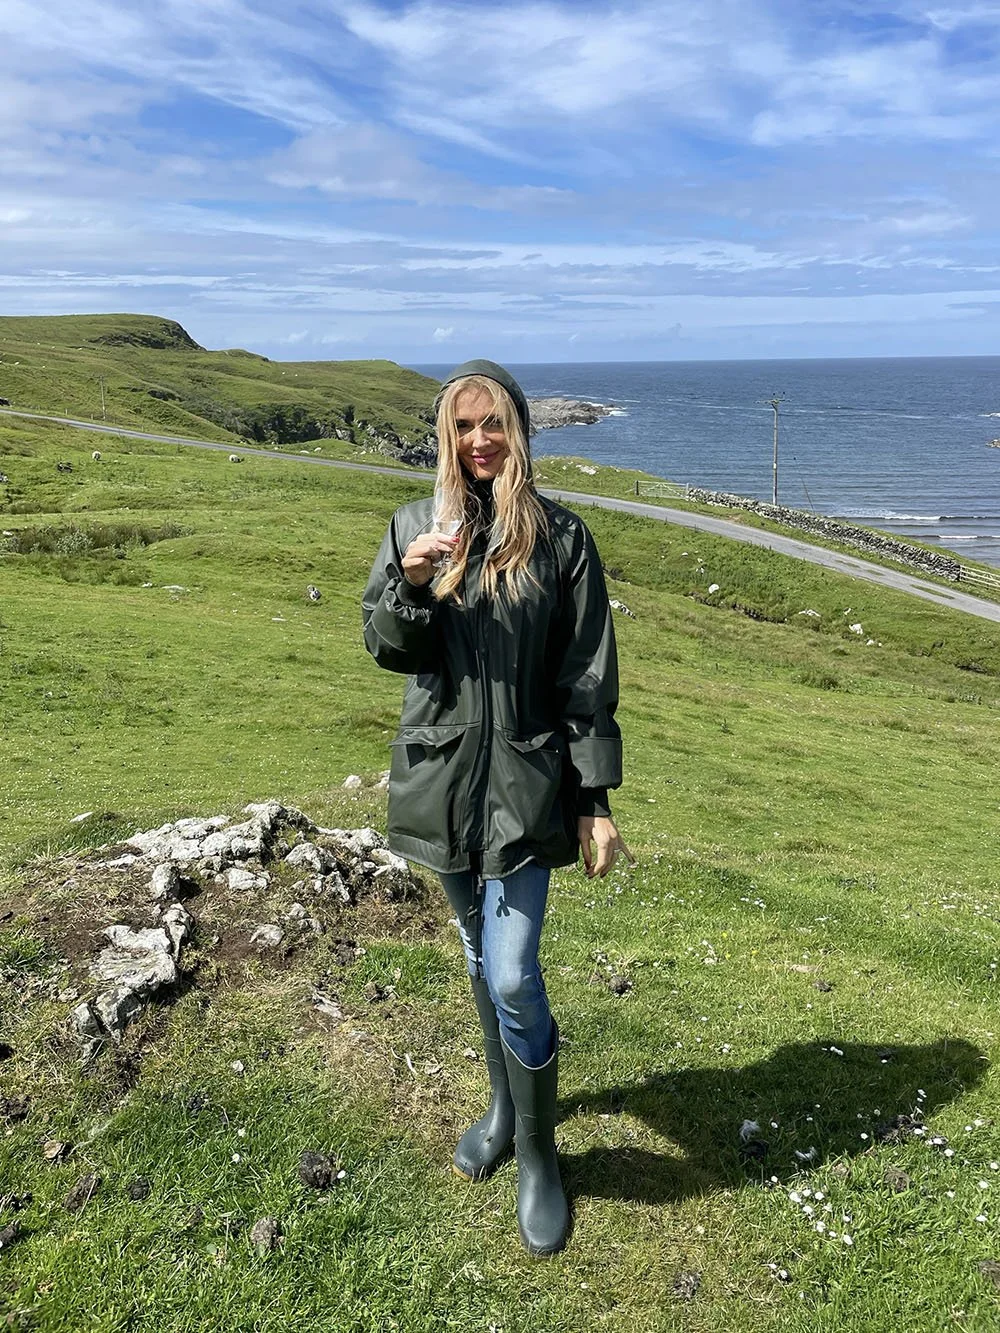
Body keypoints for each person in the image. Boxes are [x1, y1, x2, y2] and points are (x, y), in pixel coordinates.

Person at [362, 358, 630, 1258]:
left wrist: (593, 802)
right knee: (477, 954)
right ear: (448, 432)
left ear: (520, 430)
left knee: (513, 969)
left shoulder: (560, 539)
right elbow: (387, 648)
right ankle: (504, 1110)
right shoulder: (413, 524)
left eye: (496, 424)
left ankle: (541, 1156)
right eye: (465, 425)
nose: (481, 441)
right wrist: (409, 581)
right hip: (440, 781)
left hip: (524, 785)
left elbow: (585, 677)